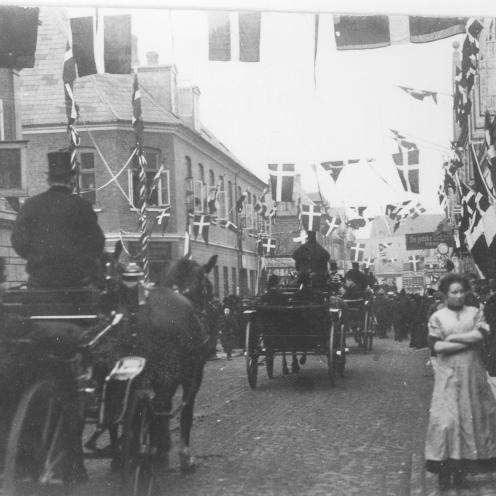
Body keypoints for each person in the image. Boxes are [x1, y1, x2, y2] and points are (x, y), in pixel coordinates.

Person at [425, 273, 496, 489]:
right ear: (445, 294)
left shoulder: (475, 312)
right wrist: (467, 340)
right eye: (453, 292)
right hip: (448, 376)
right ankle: (444, 470)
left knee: (470, 421)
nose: (458, 296)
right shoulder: (437, 317)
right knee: (446, 422)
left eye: (461, 291)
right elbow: (437, 347)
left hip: (472, 375)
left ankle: (462, 471)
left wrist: (453, 339)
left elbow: (482, 335)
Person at [11, 151, 105, 288]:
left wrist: (35, 257)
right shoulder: (82, 206)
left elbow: (18, 241)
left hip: (40, 281)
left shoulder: (30, 205)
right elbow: (96, 243)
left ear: (48, 180)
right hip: (75, 282)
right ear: (72, 179)